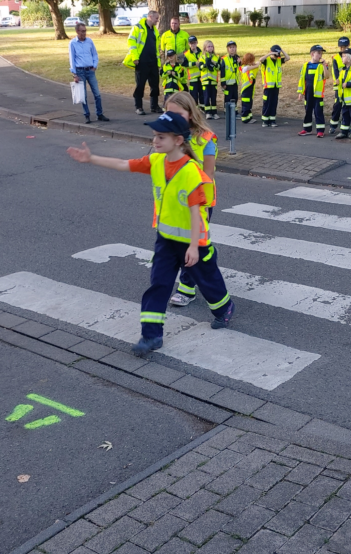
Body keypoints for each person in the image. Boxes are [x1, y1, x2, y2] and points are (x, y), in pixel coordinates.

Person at [66, 111, 234, 355]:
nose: (155, 141)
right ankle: (151, 335)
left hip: (191, 241)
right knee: (159, 284)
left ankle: (224, 308)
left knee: (207, 279)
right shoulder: (156, 161)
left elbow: (198, 212)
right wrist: (92, 159)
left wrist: (194, 247)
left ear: (178, 140)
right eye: (154, 136)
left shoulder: (191, 172)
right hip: (166, 241)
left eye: (161, 137)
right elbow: (125, 165)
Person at [164, 91, 218, 306]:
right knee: (179, 244)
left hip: (199, 202)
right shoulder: (167, 135)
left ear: (190, 113)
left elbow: (208, 174)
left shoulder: (205, 139)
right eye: (168, 113)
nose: (172, 118)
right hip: (175, 201)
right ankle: (200, 271)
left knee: (193, 244)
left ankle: (186, 288)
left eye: (177, 113)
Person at [69, 21, 110, 124]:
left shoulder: (89, 41)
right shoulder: (73, 43)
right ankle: (86, 115)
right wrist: (74, 74)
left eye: (85, 31)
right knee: (83, 96)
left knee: (97, 94)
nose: (84, 33)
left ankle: (99, 114)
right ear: (77, 31)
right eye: (82, 31)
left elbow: (95, 54)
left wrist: (94, 66)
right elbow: (72, 59)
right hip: (80, 71)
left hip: (90, 70)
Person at [124, 10, 162, 115]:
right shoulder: (138, 28)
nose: (157, 20)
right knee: (140, 84)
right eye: (156, 18)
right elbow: (131, 42)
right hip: (141, 62)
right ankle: (139, 106)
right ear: (150, 17)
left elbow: (156, 46)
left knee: (155, 85)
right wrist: (135, 57)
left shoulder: (155, 30)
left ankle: (154, 106)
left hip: (153, 61)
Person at [297, 45, 328, 137]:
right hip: (308, 94)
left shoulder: (322, 65)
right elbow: (302, 79)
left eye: (321, 53)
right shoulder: (305, 65)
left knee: (318, 112)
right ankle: (307, 129)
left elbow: (327, 76)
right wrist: (300, 92)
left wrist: (324, 65)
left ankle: (320, 131)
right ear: (312, 54)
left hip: (318, 95)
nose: (320, 55)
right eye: (318, 53)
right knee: (308, 111)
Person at [328, 36, 351, 134]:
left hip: (349, 86)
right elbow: (334, 71)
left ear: (349, 45)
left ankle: (347, 125)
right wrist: (337, 80)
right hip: (339, 86)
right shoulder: (336, 58)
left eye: (345, 46)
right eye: (341, 47)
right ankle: (333, 125)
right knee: (337, 105)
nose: (343, 49)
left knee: (348, 107)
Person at [260, 44, 288, 127]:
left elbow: (288, 58)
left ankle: (272, 120)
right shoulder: (266, 61)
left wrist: (282, 50)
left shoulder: (279, 60)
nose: (276, 56)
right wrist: (270, 54)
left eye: (278, 54)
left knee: (274, 103)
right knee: (267, 103)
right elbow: (261, 59)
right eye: (275, 54)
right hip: (268, 87)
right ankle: (265, 120)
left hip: (276, 86)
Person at [200, 40, 220, 119]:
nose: (210, 48)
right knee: (206, 96)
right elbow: (200, 68)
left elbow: (219, 67)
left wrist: (213, 63)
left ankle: (214, 112)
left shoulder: (216, 57)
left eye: (212, 46)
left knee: (213, 97)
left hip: (213, 81)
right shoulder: (202, 57)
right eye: (209, 46)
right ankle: (208, 112)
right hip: (205, 81)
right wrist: (205, 64)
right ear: (205, 48)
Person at [184, 34, 204, 108]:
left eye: (194, 43)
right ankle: (194, 109)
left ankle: (202, 108)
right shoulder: (186, 54)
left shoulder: (202, 53)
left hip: (202, 78)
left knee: (202, 94)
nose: (193, 45)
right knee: (193, 95)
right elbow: (185, 64)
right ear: (189, 44)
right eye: (191, 43)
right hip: (192, 79)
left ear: (197, 43)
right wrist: (194, 63)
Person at [220, 41, 241, 108]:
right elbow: (222, 72)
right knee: (228, 98)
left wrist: (240, 63)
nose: (232, 49)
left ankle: (235, 112)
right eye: (230, 47)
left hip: (235, 82)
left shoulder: (237, 58)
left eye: (234, 47)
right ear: (227, 49)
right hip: (227, 83)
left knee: (235, 98)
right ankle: (227, 112)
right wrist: (223, 83)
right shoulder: (224, 59)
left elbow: (240, 69)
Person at [240, 53, 258, 122]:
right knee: (246, 104)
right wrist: (256, 64)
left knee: (249, 103)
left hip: (249, 89)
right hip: (245, 89)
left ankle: (249, 117)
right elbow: (248, 68)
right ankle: (245, 118)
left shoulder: (249, 67)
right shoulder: (244, 67)